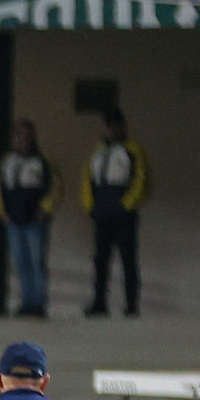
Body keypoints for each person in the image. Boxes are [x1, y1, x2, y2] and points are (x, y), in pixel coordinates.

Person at [83, 108, 148, 317]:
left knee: (127, 259)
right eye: (108, 126)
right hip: (102, 211)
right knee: (101, 259)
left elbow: (141, 180)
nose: (111, 130)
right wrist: (90, 206)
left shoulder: (133, 151)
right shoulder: (99, 152)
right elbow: (88, 180)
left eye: (116, 126)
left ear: (123, 127)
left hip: (123, 213)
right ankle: (99, 302)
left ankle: (131, 305)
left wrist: (127, 204)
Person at [0, 119, 60, 317]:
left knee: (36, 262)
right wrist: (1, 212)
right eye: (19, 134)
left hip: (35, 221)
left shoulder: (43, 161)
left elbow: (56, 187)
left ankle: (38, 304)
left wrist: (45, 209)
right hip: (14, 221)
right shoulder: (6, 162)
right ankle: (26, 302)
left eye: (27, 134)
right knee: (21, 264)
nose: (23, 139)